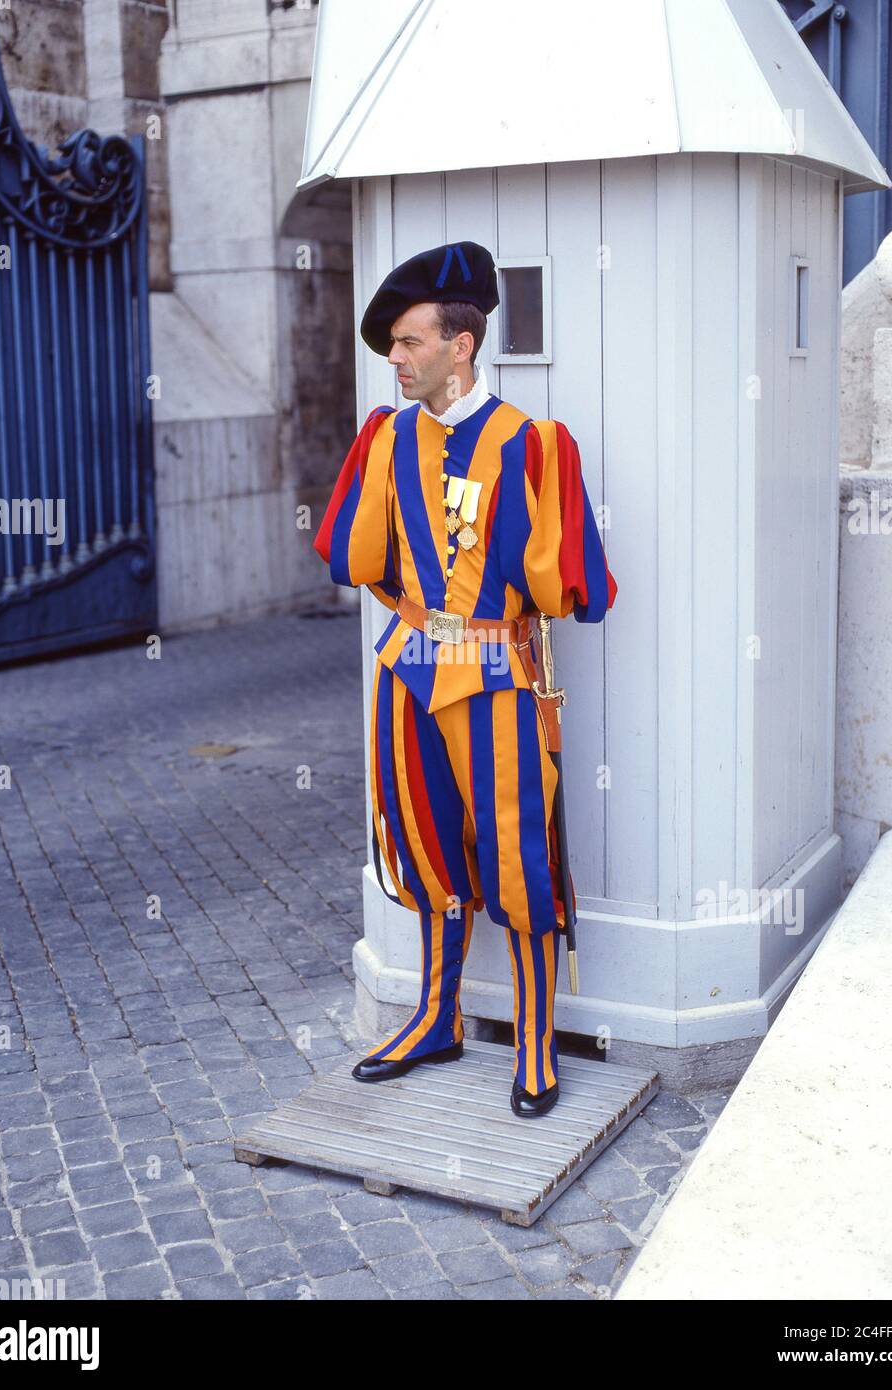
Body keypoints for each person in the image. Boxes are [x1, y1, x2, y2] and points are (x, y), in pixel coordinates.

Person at [313, 240, 617, 1117]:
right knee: (423, 844)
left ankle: (532, 1041)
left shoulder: (534, 444)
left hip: (496, 678)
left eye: (410, 342)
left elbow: (579, 590)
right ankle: (437, 1018)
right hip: (408, 673)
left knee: (517, 855)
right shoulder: (386, 439)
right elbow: (353, 555)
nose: (395, 361)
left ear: (462, 344)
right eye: (394, 346)